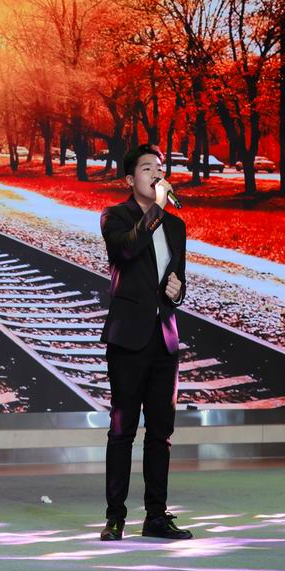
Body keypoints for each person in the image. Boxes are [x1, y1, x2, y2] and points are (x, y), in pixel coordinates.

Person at [98, 143, 192, 541]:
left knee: (160, 434)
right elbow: (128, 249)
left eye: (159, 168)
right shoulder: (114, 216)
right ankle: (115, 517)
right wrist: (156, 208)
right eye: (147, 168)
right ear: (129, 179)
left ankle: (156, 516)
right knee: (122, 430)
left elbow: (178, 279)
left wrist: (178, 291)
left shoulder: (176, 227)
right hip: (128, 338)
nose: (156, 173)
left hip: (164, 339)